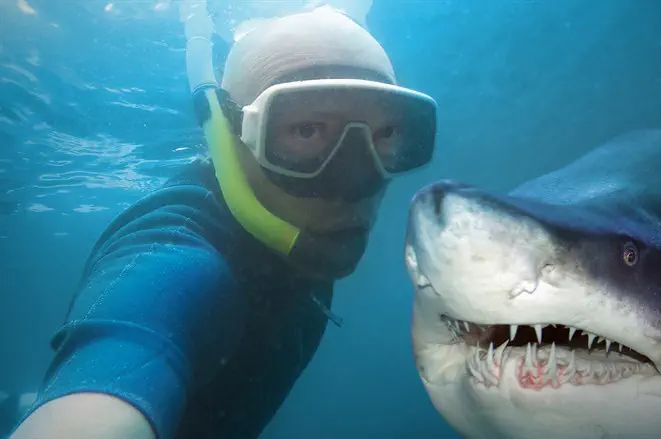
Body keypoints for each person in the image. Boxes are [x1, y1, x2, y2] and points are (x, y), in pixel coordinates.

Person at [9, 4, 437, 439]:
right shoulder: (177, 262)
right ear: (231, 138)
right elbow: (126, 347)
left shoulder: (297, 227)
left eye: (386, 133)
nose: (355, 182)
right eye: (306, 130)